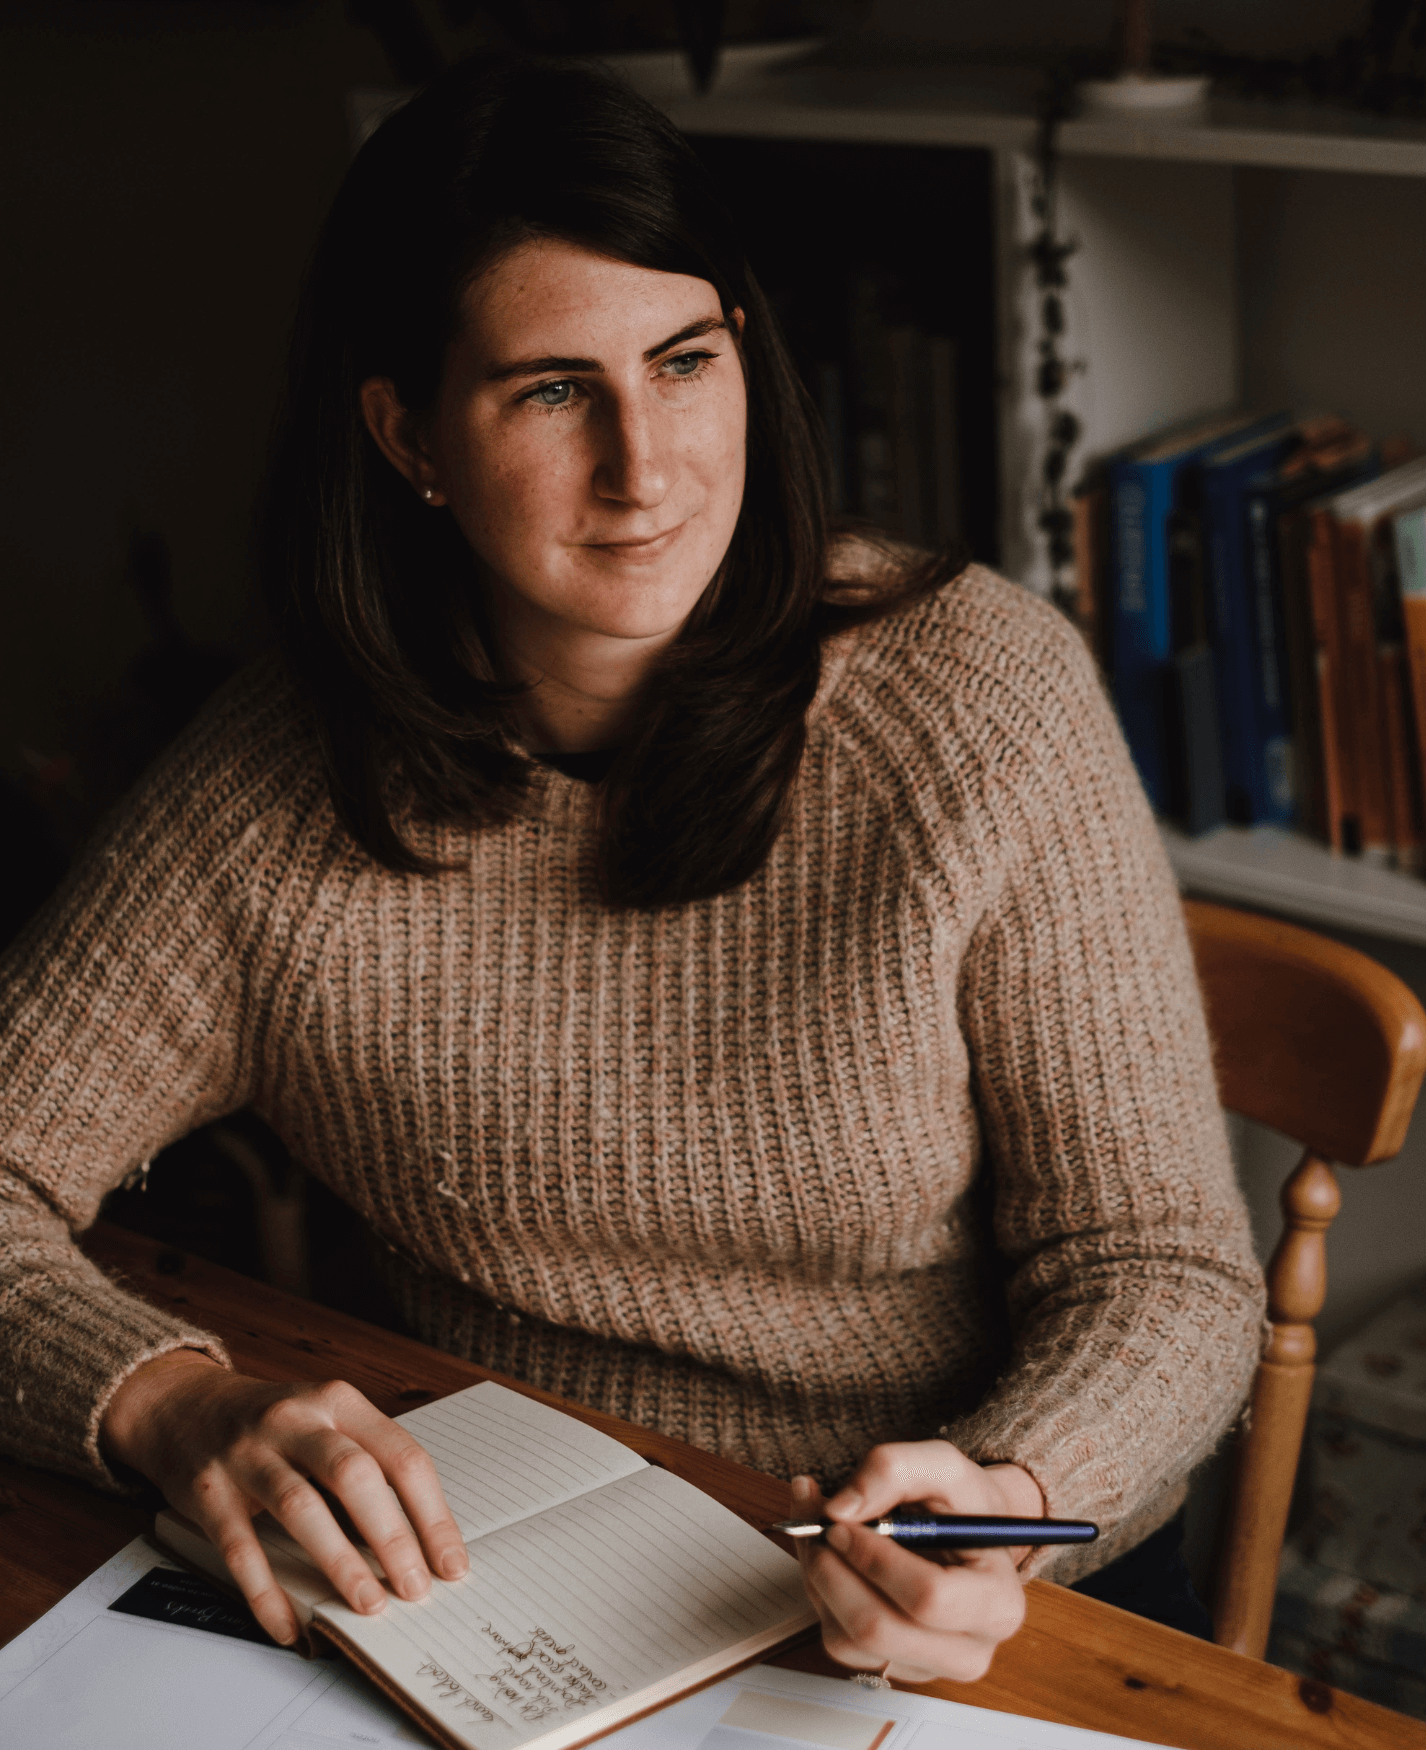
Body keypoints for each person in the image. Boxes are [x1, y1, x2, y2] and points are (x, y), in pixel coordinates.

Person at [0, 54, 1263, 1680]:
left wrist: (1009, 1497)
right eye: (550, 391)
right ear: (409, 436)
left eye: (684, 361)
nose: (646, 465)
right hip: (518, 1600)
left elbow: (1158, 1263)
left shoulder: (976, 699)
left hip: (968, 1594)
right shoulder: (275, 792)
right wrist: (169, 1400)